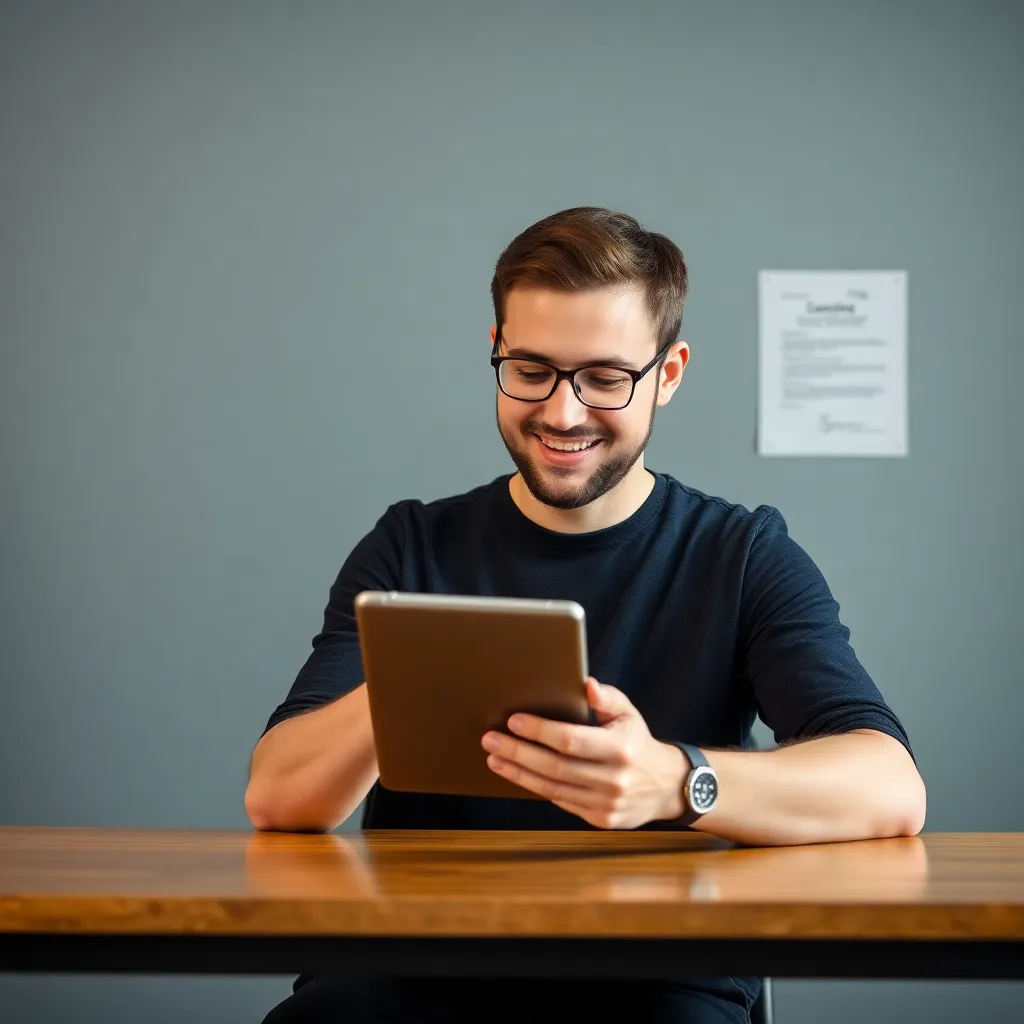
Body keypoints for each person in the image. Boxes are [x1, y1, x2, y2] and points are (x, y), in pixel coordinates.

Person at [246, 207, 927, 1023]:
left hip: (661, 977)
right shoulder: (410, 546)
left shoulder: (742, 556)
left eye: (605, 378)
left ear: (668, 374)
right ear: (495, 347)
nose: (562, 413)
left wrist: (676, 781)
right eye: (530, 369)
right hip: (409, 968)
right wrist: (419, 669)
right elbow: (280, 799)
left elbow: (890, 787)